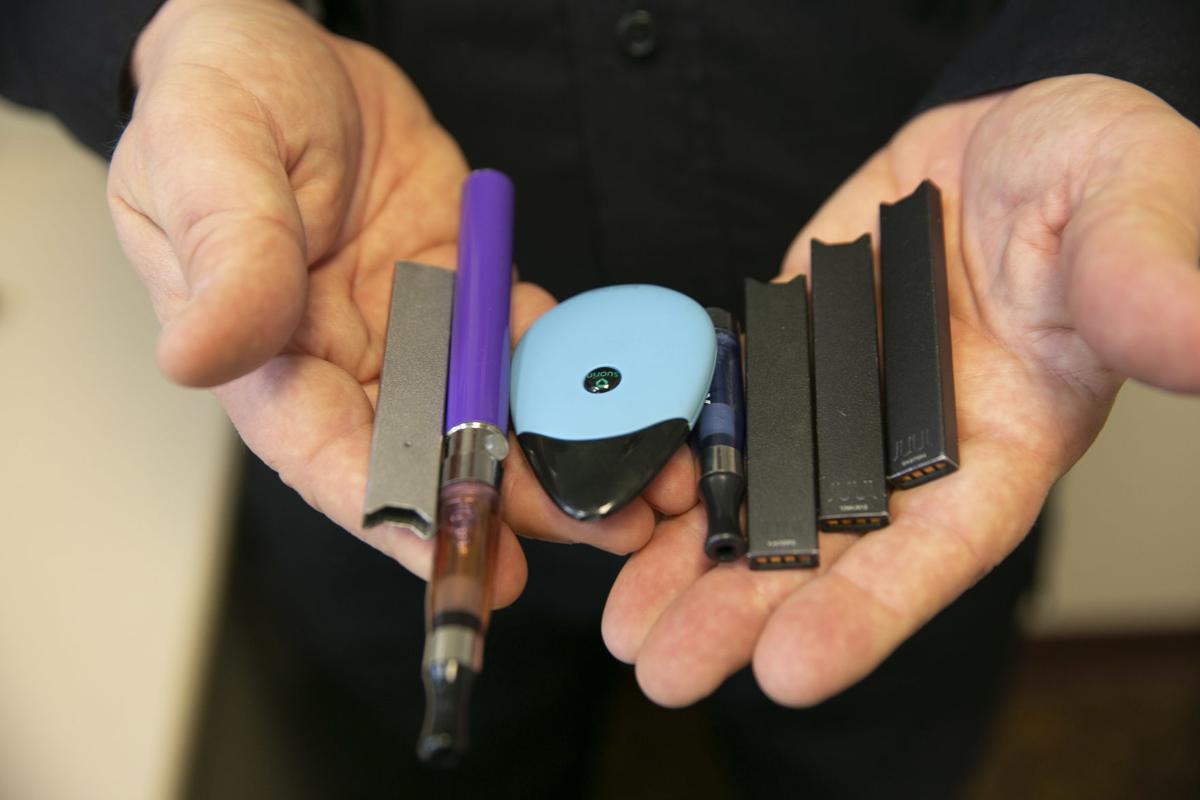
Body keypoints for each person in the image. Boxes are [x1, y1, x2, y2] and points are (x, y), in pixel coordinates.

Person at [5, 0, 1199, 796]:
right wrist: (171, 23)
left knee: (864, 751)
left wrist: (1111, 49)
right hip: (386, 417)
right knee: (437, 768)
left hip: (893, 399)